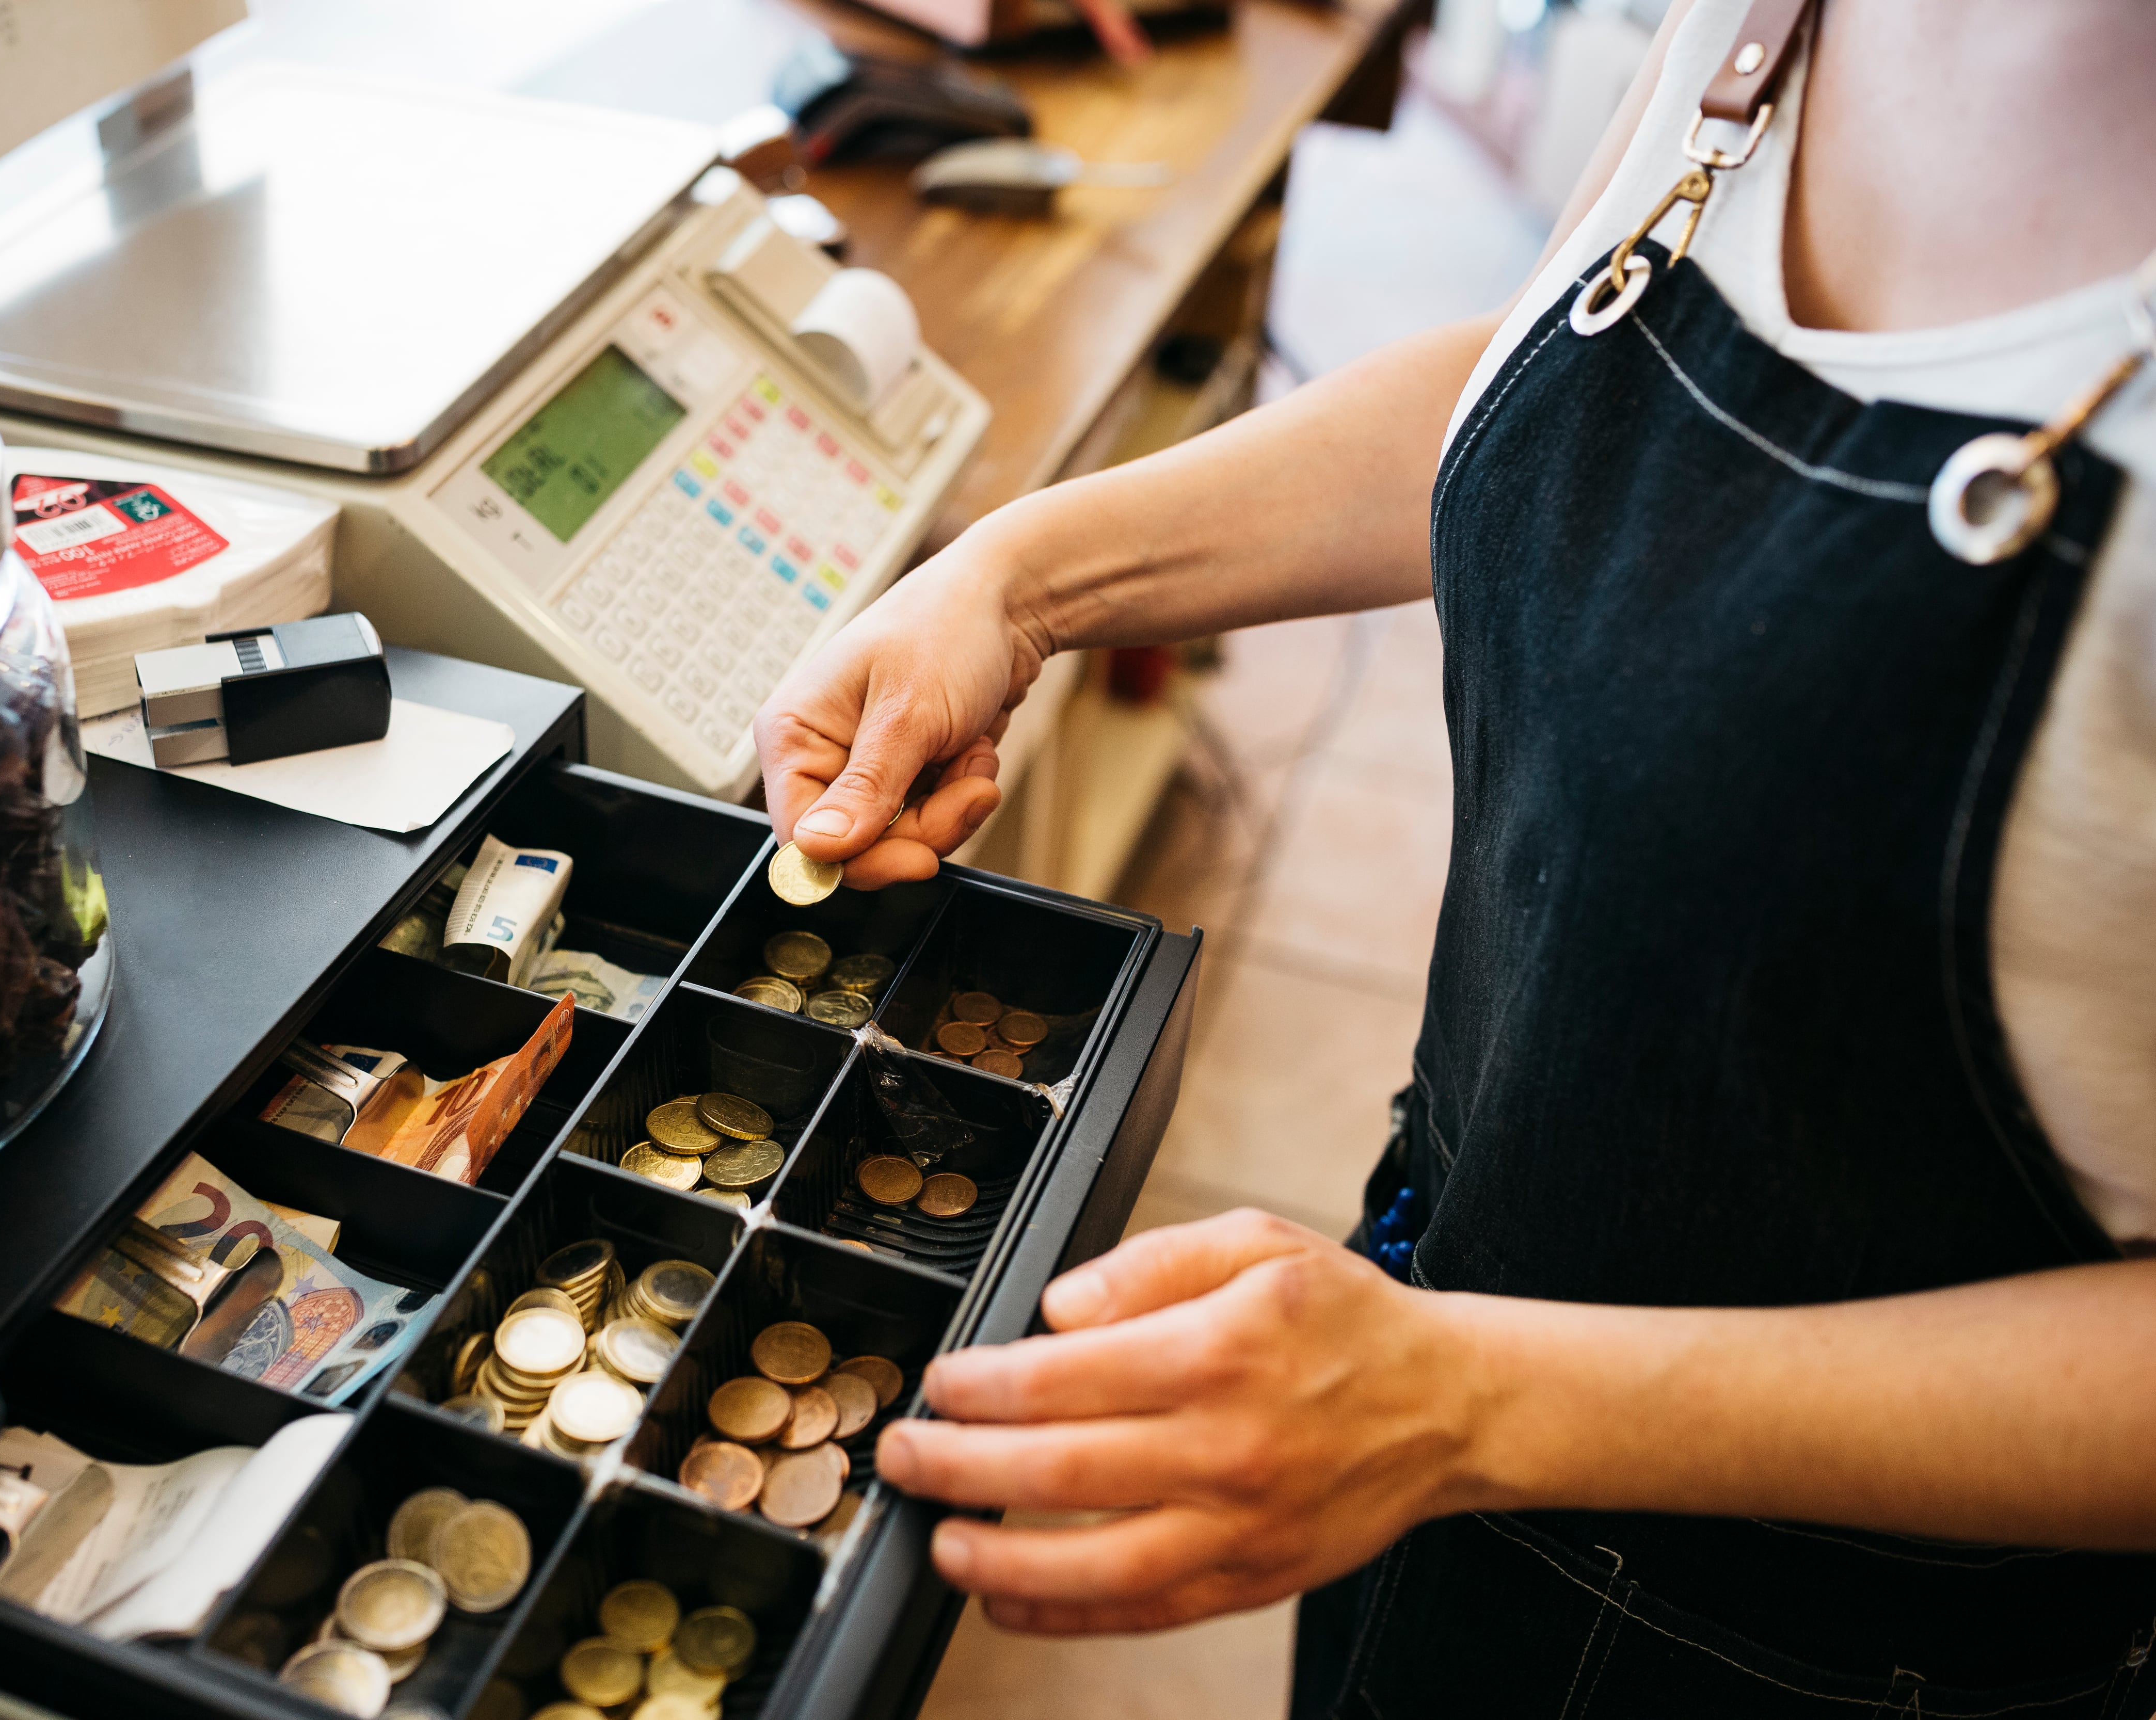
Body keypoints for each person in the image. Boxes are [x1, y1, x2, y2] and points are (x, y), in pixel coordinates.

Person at [753, 0, 2156, 1710]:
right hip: (1440, 1367)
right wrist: (1022, 576)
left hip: (1848, 1655)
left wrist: (1473, 1402)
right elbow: (1557, 360)